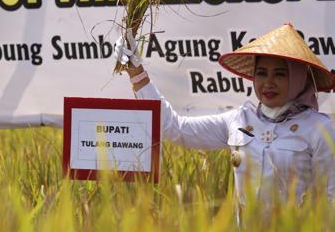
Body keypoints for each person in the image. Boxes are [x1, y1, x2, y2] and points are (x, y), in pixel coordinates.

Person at [115, 23, 335, 205]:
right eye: (261, 73)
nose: (268, 82)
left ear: (298, 79)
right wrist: (137, 73)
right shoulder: (239, 120)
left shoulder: (319, 129)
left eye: (279, 74)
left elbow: (330, 197)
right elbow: (176, 128)